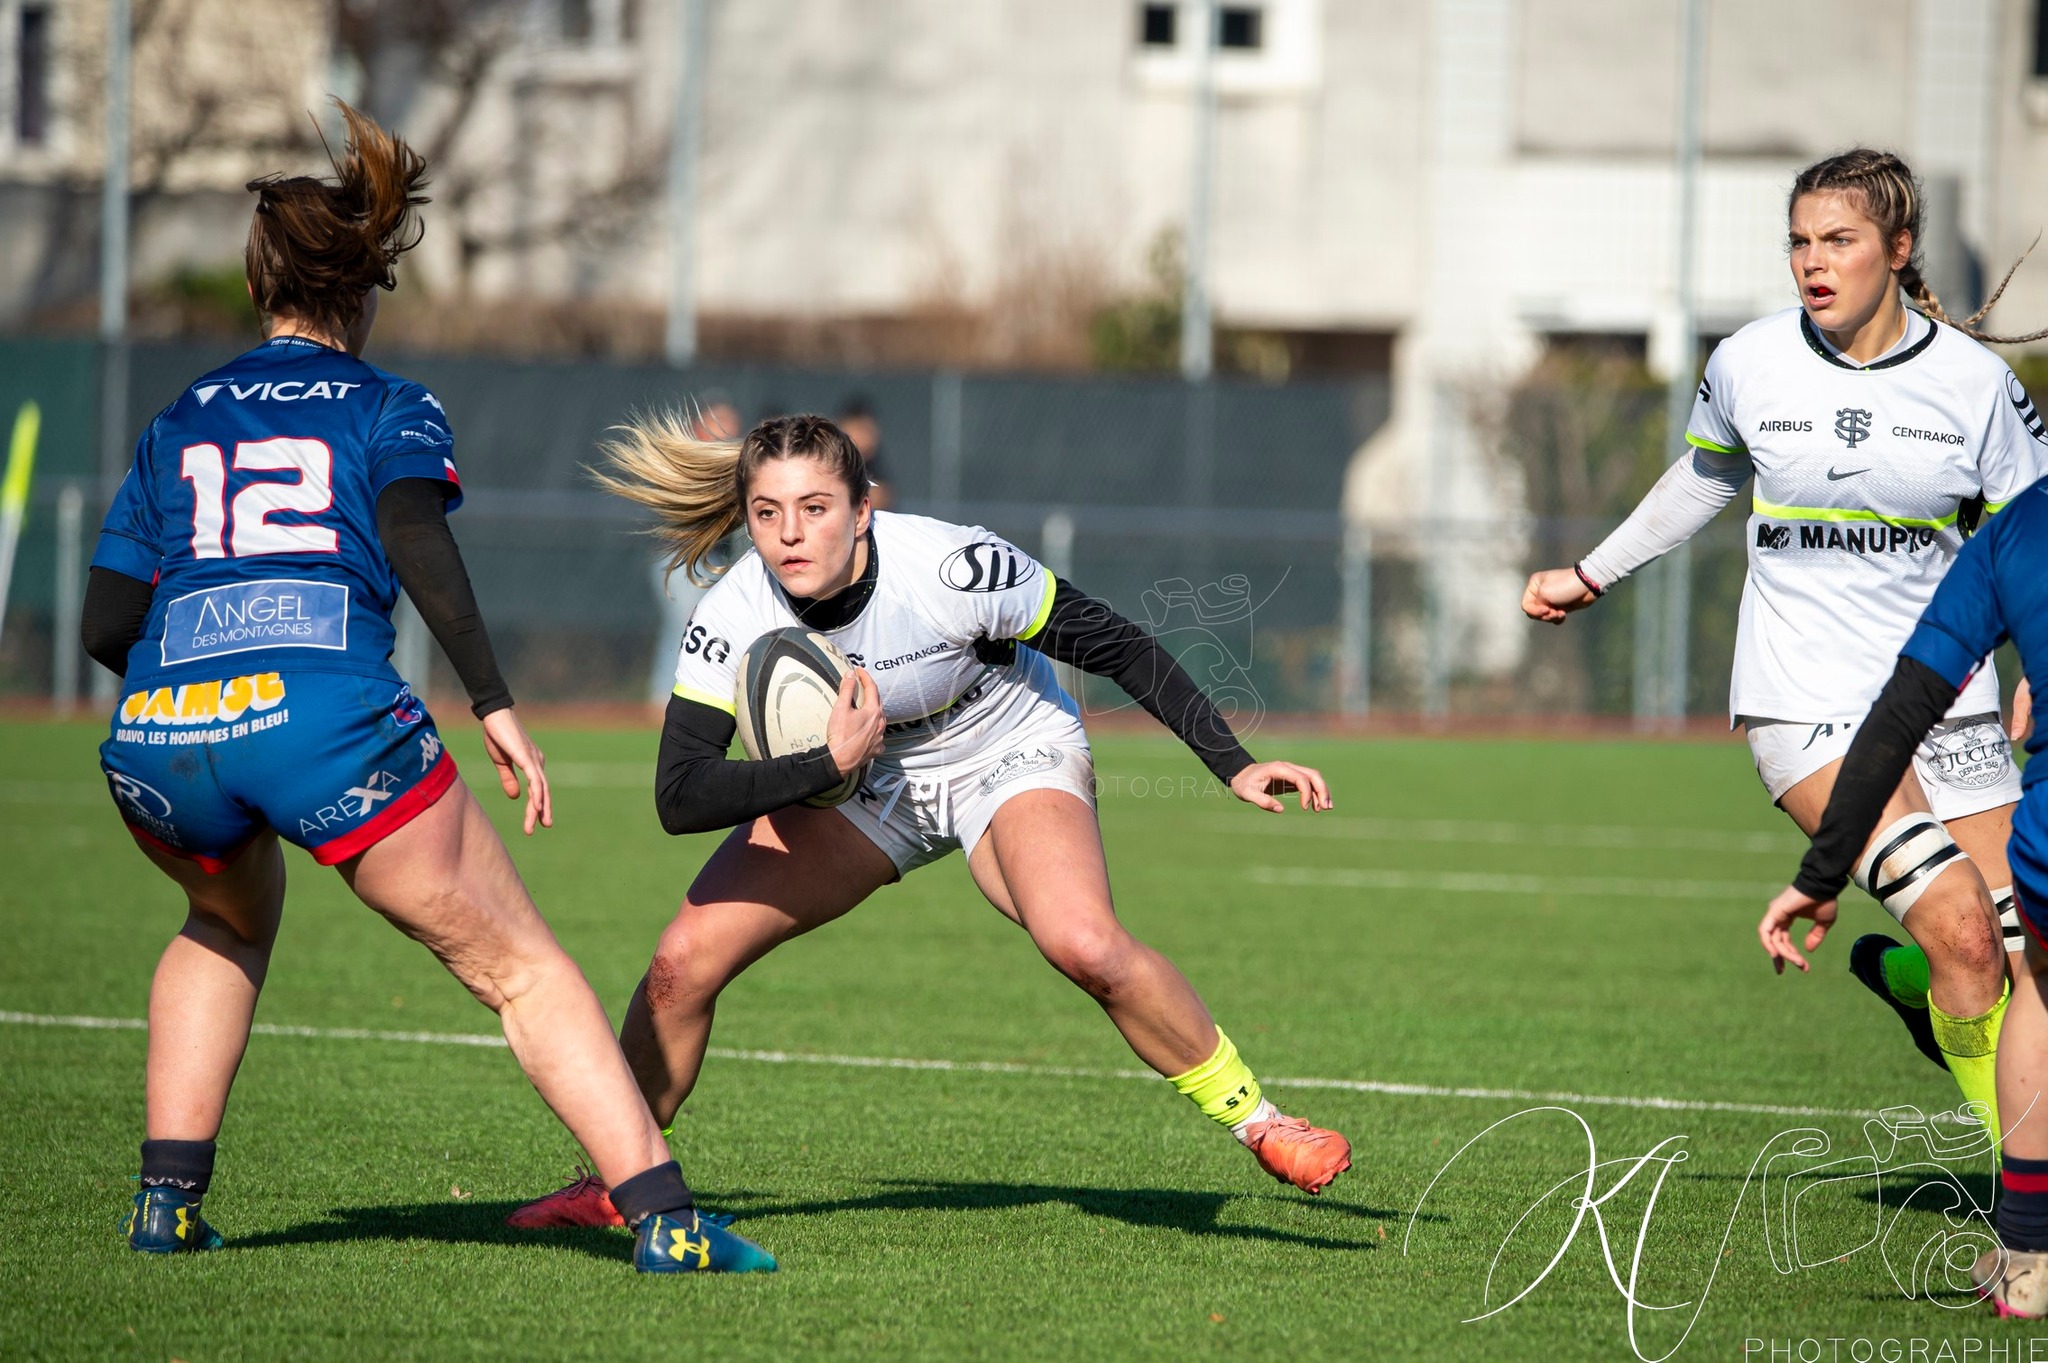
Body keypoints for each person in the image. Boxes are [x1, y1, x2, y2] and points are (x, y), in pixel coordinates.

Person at [81, 103, 771, 1274]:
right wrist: (495, 703)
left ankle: (166, 1203)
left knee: (222, 917)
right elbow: (418, 545)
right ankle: (664, 1219)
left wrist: (201, 692)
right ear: (360, 291)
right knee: (521, 968)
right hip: (328, 724)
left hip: (155, 735)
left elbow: (105, 621)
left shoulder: (177, 416)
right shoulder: (386, 403)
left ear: (261, 287)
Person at [508, 412, 1350, 1228]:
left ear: (863, 507)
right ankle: (619, 1183)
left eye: (815, 508)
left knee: (1081, 941)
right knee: (679, 965)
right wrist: (825, 768)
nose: (790, 534)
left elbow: (1115, 642)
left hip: (1002, 740)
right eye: (767, 513)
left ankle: (1262, 1119)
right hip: (862, 776)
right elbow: (680, 793)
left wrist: (1233, 762)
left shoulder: (950, 566)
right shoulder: (733, 612)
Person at [1522, 149, 2048, 1135]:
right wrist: (1591, 571)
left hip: (1949, 701)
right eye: (1798, 241)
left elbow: (2030, 543)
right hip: (1802, 703)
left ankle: (1906, 980)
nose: (1812, 261)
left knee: (2030, 965)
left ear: (1895, 249)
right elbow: (1702, 476)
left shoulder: (1974, 386)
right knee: (1966, 940)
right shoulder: (1748, 361)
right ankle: (2022, 1209)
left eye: (1837, 240)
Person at [1766, 476, 2048, 1317]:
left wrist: (1817, 880)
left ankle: (2028, 1257)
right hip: (1801, 700)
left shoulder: (2019, 526)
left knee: (2034, 979)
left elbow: (1901, 710)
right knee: (1996, 953)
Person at [835, 396, 891, 509]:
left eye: (869, 430)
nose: (869, 437)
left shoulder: (874, 468)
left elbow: (881, 497)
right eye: (861, 429)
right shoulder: (830, 465)